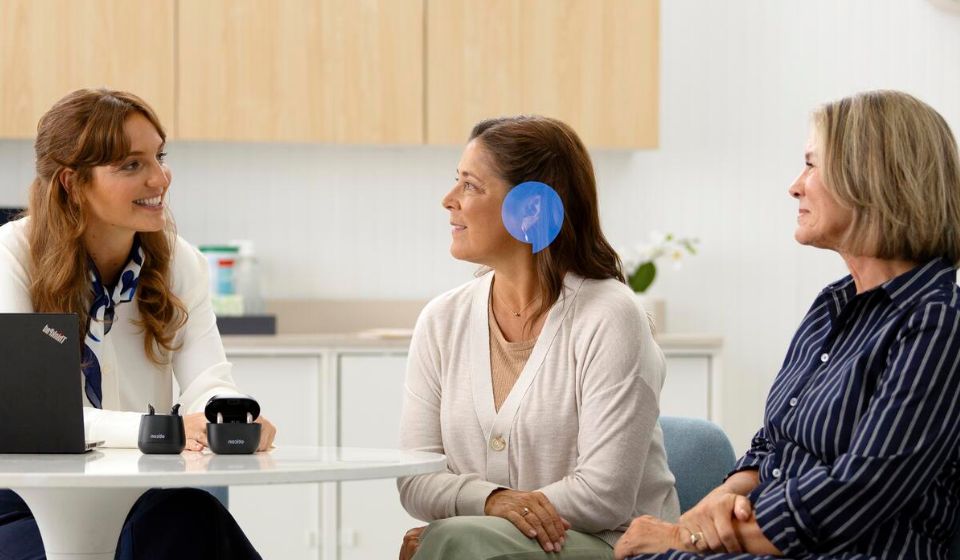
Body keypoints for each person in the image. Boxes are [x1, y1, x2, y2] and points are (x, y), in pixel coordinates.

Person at [614, 90, 960, 560]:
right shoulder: (833, 304)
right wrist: (718, 501)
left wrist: (687, 539)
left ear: (872, 178)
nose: (795, 186)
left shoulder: (937, 322)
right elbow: (775, 442)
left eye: (812, 165)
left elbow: (860, 490)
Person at [0, 88, 277, 559]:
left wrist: (227, 418)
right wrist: (163, 431)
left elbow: (208, 382)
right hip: (25, 504)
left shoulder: (180, 262)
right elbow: (39, 423)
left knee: (194, 517)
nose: (159, 178)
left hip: (139, 499)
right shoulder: (12, 256)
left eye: (159, 157)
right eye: (131, 164)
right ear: (71, 182)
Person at [397, 115, 680, 560]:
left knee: (451, 543)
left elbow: (603, 496)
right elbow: (415, 479)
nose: (449, 200)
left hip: (612, 546)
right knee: (454, 543)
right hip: (491, 545)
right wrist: (490, 503)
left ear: (529, 210)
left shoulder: (610, 316)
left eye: (470, 186)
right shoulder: (441, 320)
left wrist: (473, 525)